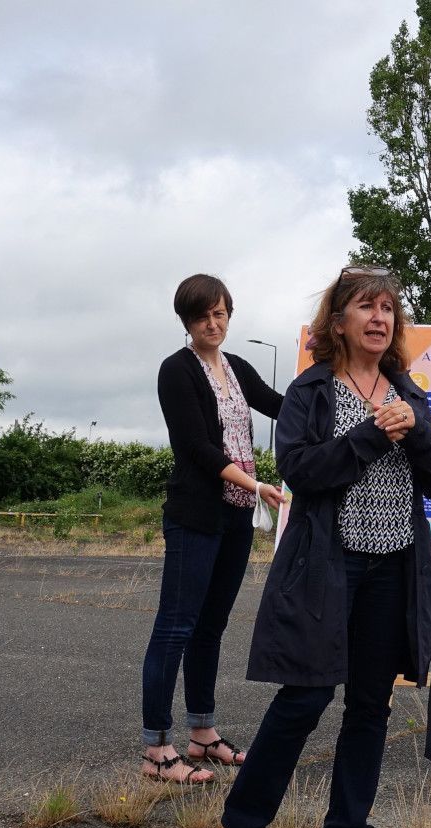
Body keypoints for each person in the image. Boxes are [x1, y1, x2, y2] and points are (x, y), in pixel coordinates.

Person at [217, 266, 431, 828]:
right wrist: (374, 435)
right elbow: (302, 471)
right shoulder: (312, 391)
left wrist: (416, 432)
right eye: (366, 307)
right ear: (338, 321)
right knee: (304, 695)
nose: (380, 318)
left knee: (370, 708)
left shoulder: (406, 390)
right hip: (328, 567)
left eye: (388, 309)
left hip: (394, 569)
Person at [141, 274, 285, 784]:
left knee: (211, 627)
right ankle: (157, 748)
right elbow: (196, 450)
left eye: (221, 313)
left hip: (235, 515)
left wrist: (337, 384)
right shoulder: (176, 371)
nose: (213, 323)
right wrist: (255, 483)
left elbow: (282, 405)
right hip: (195, 516)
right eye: (203, 316)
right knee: (175, 627)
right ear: (187, 321)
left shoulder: (236, 368)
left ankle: (202, 732)